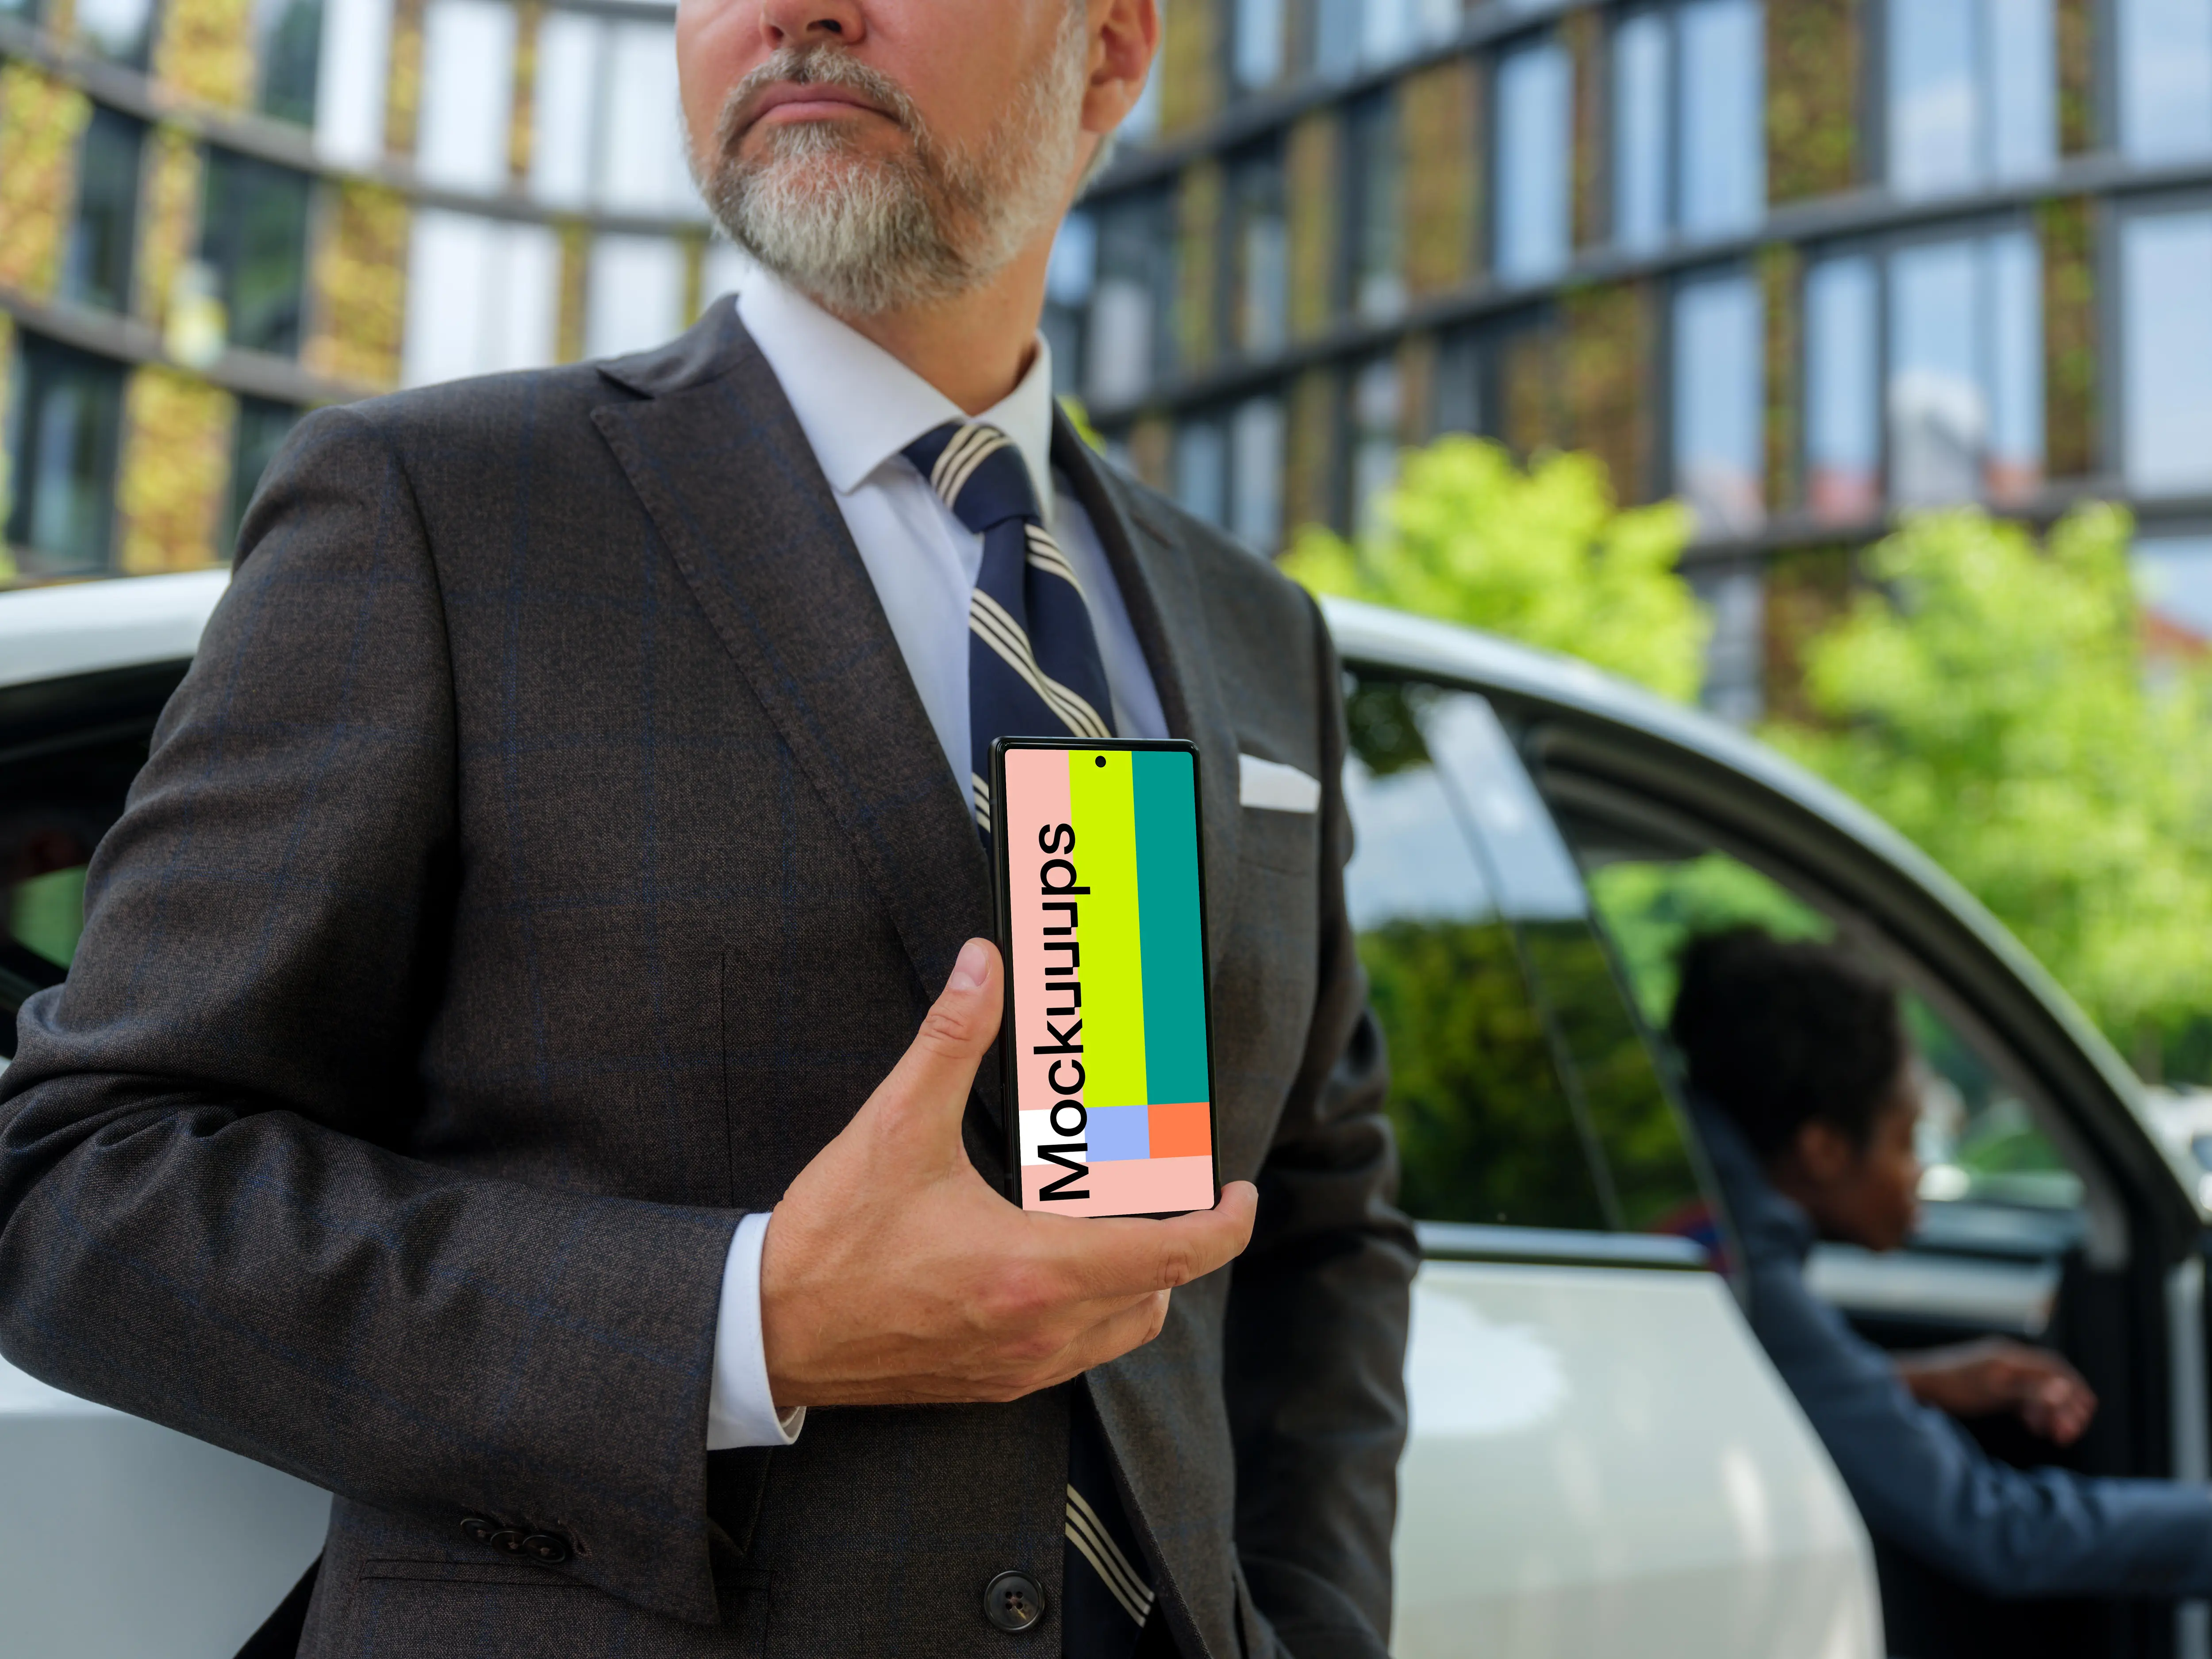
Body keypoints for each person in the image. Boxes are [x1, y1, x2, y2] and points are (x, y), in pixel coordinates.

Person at [0, 3, 1416, 1656]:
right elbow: (80, 1181)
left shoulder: (1254, 630)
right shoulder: (437, 510)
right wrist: (742, 1322)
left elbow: (1321, 1214)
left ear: (1105, 51)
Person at [1671, 926, 2212, 1600]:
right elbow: (2000, 1530)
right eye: (1907, 1140)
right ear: (1823, 1150)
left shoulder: (1684, 1216)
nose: (1920, 1174)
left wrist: (1911, 1381)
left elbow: (1756, 1384)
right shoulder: (1743, 1268)